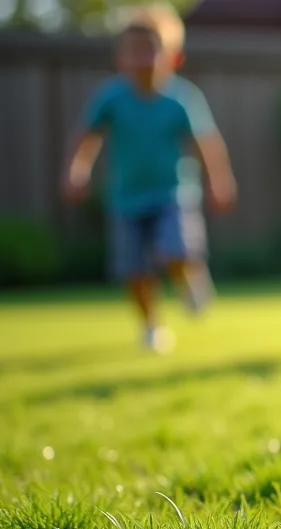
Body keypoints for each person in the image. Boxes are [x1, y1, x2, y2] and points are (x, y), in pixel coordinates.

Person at [63, 2, 236, 353]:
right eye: (134, 51)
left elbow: (206, 143)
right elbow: (87, 136)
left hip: (173, 193)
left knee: (175, 248)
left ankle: (190, 278)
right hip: (125, 198)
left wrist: (219, 181)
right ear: (120, 57)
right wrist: (75, 171)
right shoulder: (111, 97)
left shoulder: (181, 98)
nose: (142, 58)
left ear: (173, 56)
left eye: (151, 50)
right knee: (135, 271)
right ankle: (151, 326)